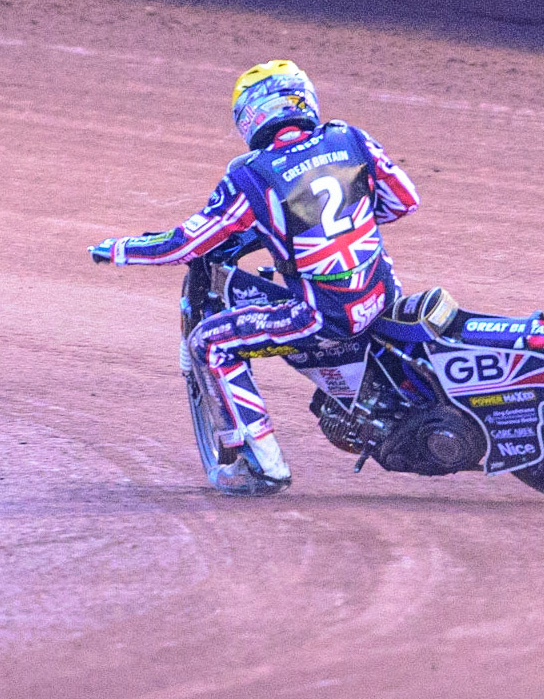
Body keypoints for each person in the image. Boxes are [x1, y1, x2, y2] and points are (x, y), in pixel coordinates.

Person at [90, 60, 419, 492]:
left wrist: (121, 250)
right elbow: (403, 203)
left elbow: (189, 244)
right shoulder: (349, 137)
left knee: (210, 342)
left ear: (250, 115)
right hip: (382, 294)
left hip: (326, 318)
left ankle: (264, 466)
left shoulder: (252, 174)